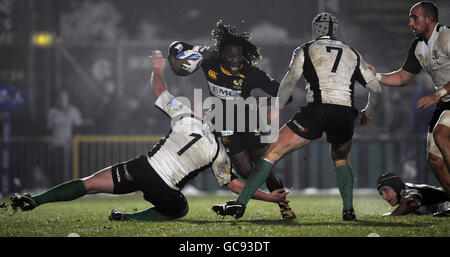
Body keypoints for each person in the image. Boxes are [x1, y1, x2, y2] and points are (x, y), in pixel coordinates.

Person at [9, 51, 287, 222]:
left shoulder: (186, 116)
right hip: (164, 189)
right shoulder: (218, 153)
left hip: (141, 169)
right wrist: (268, 198)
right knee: (180, 210)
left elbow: (159, 93)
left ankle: (37, 199)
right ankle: (129, 219)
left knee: (89, 184)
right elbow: (235, 186)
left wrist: (157, 70)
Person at [212, 12, 382, 221]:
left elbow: (290, 80)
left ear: (315, 30)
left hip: (317, 110)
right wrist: (368, 113)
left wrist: (276, 108)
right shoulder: (352, 53)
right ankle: (348, 210)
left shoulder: (306, 49)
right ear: (335, 30)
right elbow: (376, 89)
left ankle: (240, 205)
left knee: (270, 154)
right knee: (340, 158)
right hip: (346, 113)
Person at [167, 20, 296, 219]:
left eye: (238, 55)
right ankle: (254, 200)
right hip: (224, 123)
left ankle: (285, 207)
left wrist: (264, 102)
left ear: (243, 55)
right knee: (245, 171)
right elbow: (180, 47)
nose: (234, 59)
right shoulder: (209, 59)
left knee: (263, 165)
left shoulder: (254, 74)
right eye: (229, 56)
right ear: (222, 55)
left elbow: (287, 96)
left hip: (250, 121)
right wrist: (174, 57)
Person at [368, 2, 450, 194]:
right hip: (444, 101)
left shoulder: (446, 37)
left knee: (440, 135)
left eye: (414, 18)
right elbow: (403, 77)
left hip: (444, 98)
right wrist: (376, 76)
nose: (410, 23)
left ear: (429, 18)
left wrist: (438, 94)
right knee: (435, 161)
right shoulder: (418, 47)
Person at [47, 90, 83, 184]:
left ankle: (68, 186)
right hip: (55, 145)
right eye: (60, 97)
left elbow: (78, 127)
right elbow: (48, 129)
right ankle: (55, 186)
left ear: (68, 98)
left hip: (68, 146)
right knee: (56, 168)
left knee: (68, 169)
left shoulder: (73, 111)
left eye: (65, 97)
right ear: (57, 99)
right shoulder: (52, 112)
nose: (63, 100)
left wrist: (73, 141)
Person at [377, 172, 450, 217]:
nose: (384, 197)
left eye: (386, 190)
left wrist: (392, 216)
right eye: (381, 193)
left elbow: (414, 202)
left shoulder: (408, 191)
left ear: (395, 186)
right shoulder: (405, 190)